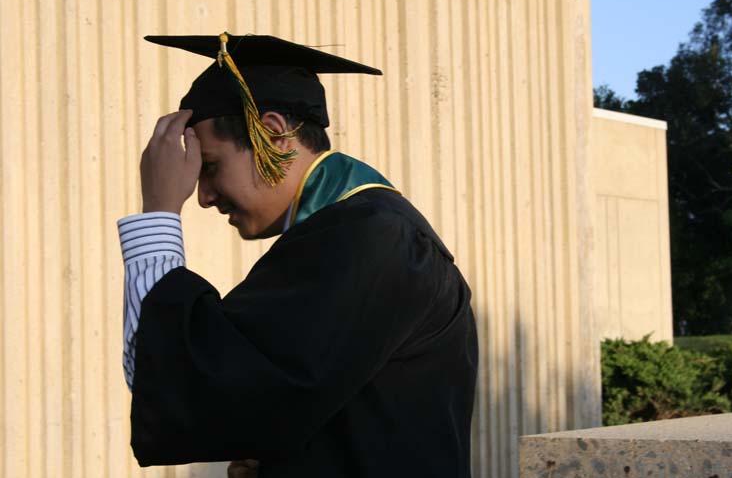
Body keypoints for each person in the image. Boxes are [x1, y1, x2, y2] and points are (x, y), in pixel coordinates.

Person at [117, 33, 478, 478]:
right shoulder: (355, 233)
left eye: (209, 167)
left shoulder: (367, 238)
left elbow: (185, 384)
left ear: (272, 134)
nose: (203, 196)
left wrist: (159, 213)